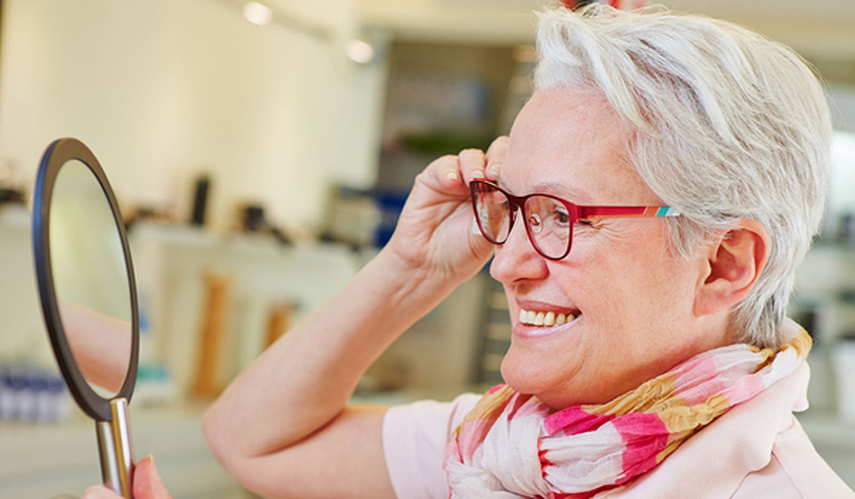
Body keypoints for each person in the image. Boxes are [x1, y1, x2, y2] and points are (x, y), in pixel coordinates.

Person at [92, 4, 855, 498]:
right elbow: (249, 439)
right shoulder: (508, 441)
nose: (506, 263)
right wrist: (410, 271)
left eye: (563, 214)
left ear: (722, 263)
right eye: (512, 206)